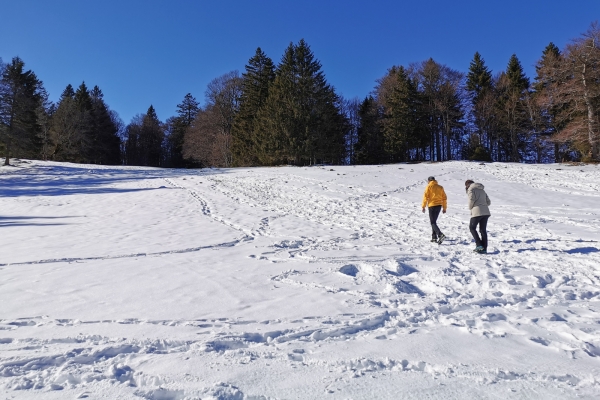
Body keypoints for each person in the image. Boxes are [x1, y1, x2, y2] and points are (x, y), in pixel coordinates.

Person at [465, 180, 491, 254]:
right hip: (486, 212)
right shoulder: (482, 190)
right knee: (483, 230)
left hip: (477, 211)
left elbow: (471, 200)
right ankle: (484, 248)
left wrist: (470, 207)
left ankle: (479, 245)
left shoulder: (471, 189)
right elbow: (488, 202)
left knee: (472, 228)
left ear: (467, 185)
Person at [421, 176, 447, 244]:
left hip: (432, 206)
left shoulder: (428, 186)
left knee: (432, 222)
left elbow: (425, 197)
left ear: (429, 181)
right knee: (434, 222)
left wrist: (423, 206)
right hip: (439, 206)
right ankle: (434, 237)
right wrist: (444, 208)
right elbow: (444, 198)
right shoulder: (440, 187)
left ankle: (440, 234)